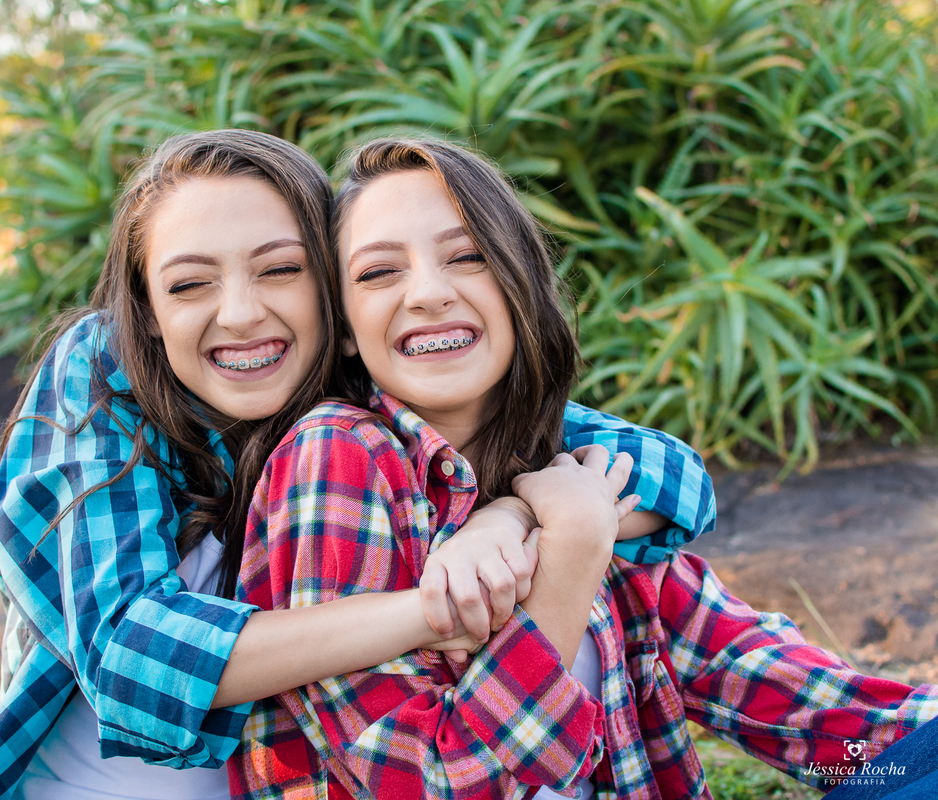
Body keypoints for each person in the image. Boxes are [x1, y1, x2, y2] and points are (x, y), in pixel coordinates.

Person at [0, 130, 714, 800]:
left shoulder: (368, 389)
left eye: (281, 270)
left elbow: (667, 473)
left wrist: (513, 513)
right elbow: (132, 656)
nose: (242, 314)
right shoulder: (105, 375)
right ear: (146, 309)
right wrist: (432, 608)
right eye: (189, 285)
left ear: (334, 292)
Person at [231, 137, 938, 800]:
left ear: (519, 284)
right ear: (345, 330)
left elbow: (793, 708)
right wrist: (568, 555)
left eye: (468, 256)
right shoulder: (340, 454)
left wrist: (524, 516)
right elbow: (424, 785)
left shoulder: (565, 476)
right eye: (379, 272)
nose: (427, 293)